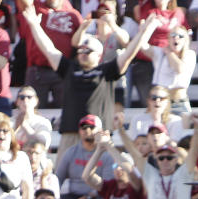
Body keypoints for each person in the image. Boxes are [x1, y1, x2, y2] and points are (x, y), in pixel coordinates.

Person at [20, 6, 160, 162]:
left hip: (99, 134)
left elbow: (129, 53)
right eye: (81, 51)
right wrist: (34, 25)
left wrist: (145, 31)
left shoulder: (107, 70)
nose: (83, 54)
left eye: (88, 51)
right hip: (71, 133)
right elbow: (48, 49)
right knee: (62, 176)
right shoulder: (69, 68)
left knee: (103, 180)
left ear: (99, 55)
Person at [117, 112, 198, 199]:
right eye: (161, 158)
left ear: (176, 160)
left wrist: (197, 129)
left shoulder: (183, 174)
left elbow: (193, 153)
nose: (165, 161)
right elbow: (133, 152)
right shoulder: (151, 175)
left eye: (169, 157)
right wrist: (120, 129)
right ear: (156, 159)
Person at [55, 114, 114, 199]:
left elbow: (107, 184)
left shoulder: (107, 155)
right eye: (83, 127)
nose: (87, 130)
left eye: (91, 127)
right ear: (79, 131)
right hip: (73, 196)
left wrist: (89, 197)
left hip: (98, 196)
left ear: (100, 131)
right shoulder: (70, 152)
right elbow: (58, 178)